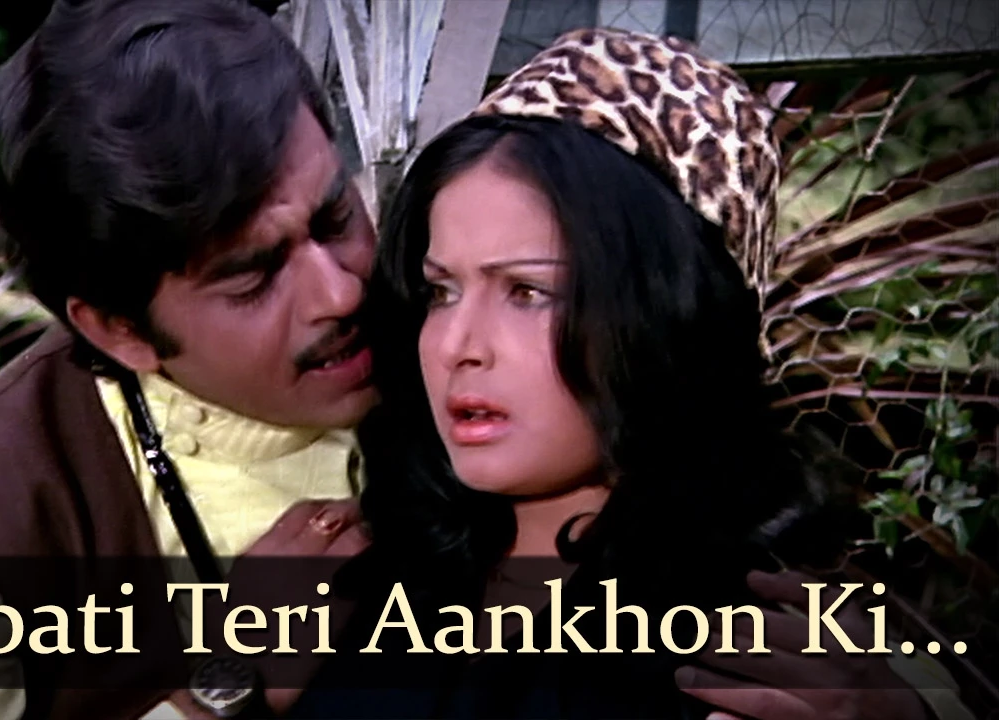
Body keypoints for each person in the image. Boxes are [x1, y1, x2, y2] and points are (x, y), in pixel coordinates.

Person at [288, 27, 975, 720]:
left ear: (662, 314)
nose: (458, 346)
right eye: (441, 291)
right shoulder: (352, 573)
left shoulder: (758, 646)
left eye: (528, 292)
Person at [0, 1, 376, 719]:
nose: (341, 291)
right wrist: (230, 682)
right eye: (253, 277)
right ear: (120, 331)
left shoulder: (455, 337)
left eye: (335, 217)